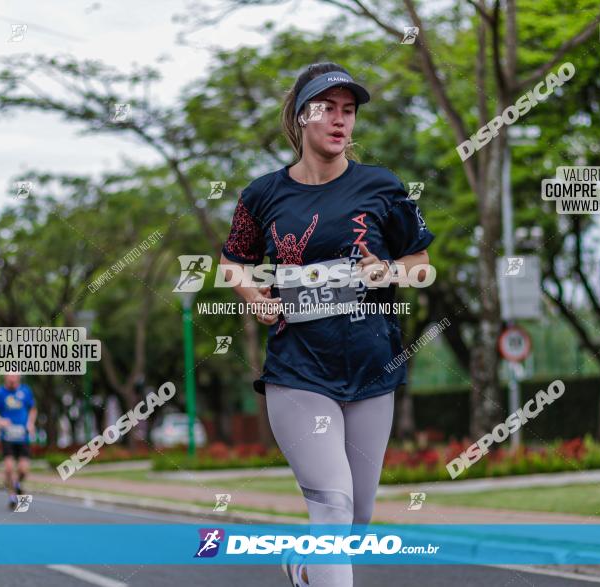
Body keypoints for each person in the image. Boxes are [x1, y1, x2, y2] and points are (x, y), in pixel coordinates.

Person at [220, 62, 434, 587]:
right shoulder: (262, 195)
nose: (340, 121)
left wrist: (389, 270)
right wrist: (253, 296)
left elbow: (422, 263)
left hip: (370, 371)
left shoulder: (383, 187)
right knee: (333, 508)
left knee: (356, 520)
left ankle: (304, 566)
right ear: (301, 117)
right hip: (298, 373)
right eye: (327, 109)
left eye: (349, 111)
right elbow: (231, 263)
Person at [0, 373, 36, 510]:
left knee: (23, 470)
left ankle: (17, 484)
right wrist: (0, 421)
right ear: (5, 378)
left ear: (18, 378)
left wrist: (30, 423)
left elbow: (33, 409)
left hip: (23, 436)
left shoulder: (26, 391)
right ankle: (12, 496)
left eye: (14, 376)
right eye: (9, 376)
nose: (12, 379)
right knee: (9, 468)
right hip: (7, 437)